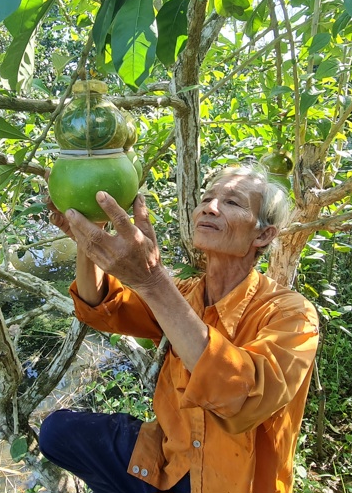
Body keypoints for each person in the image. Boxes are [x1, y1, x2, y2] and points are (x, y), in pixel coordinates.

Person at [39, 165, 320, 493]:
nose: (209, 208)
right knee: (57, 433)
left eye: (232, 203)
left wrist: (153, 280)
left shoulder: (292, 314)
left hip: (230, 482)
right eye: (206, 199)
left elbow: (241, 402)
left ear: (263, 234)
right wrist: (89, 239)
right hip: (168, 460)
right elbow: (101, 307)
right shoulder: (186, 294)